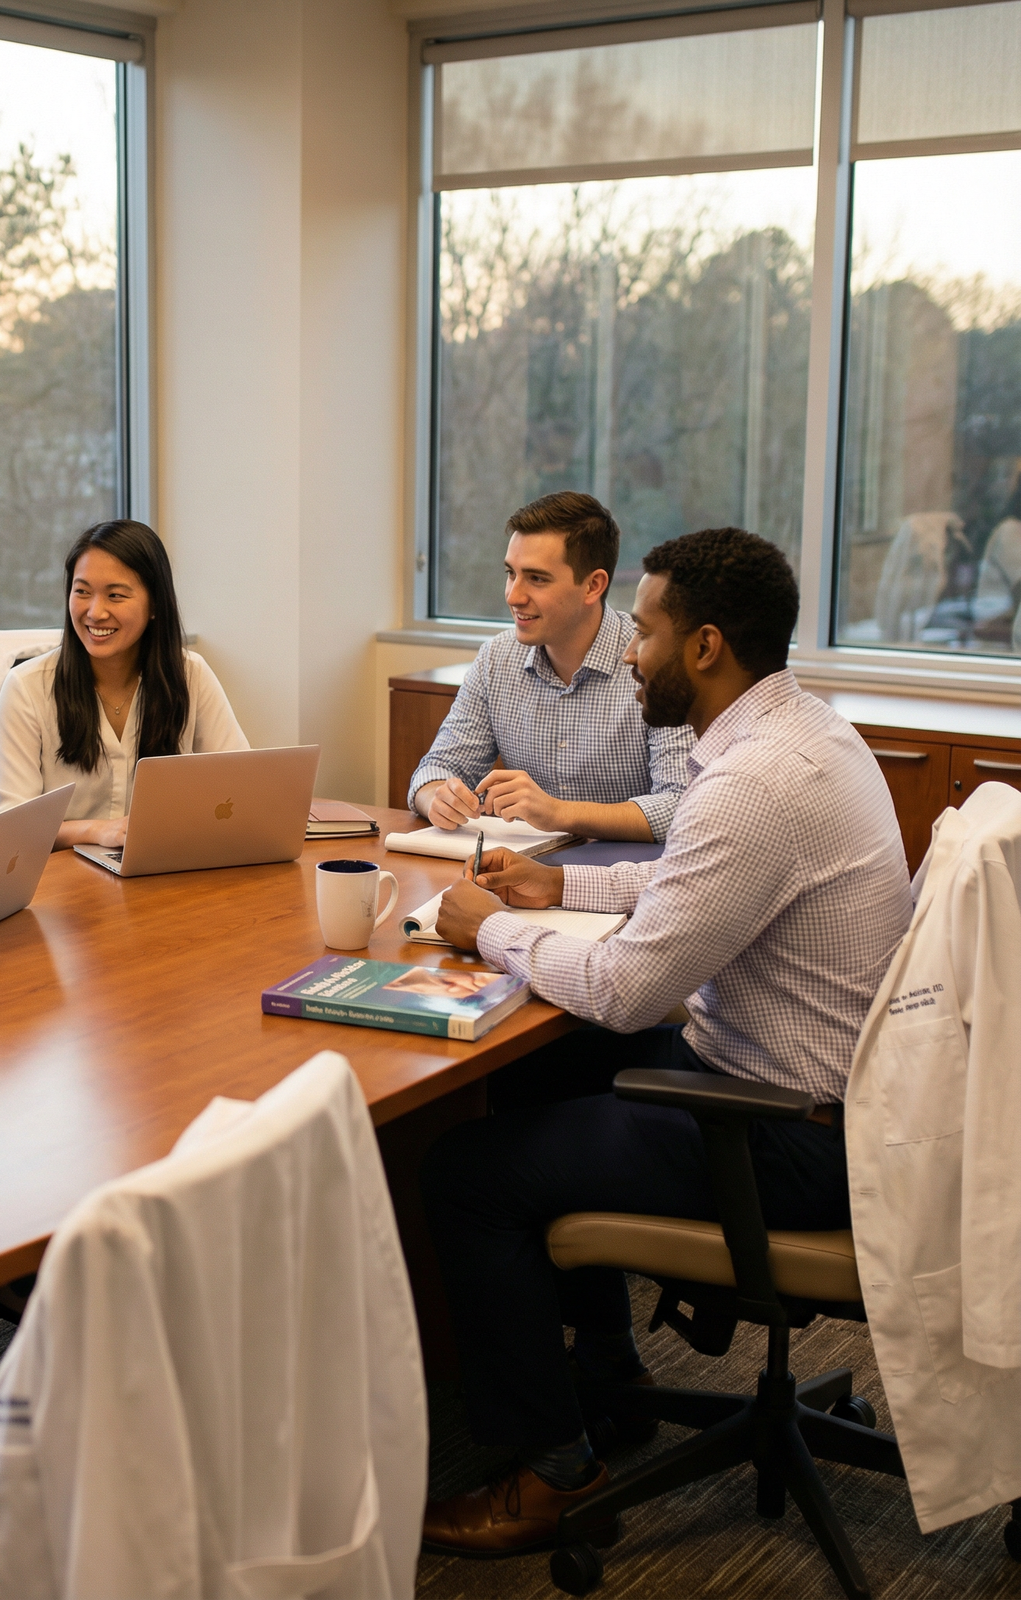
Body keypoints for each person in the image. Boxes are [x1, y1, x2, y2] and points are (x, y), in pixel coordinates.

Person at [418, 528, 912, 1558]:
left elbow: (632, 987)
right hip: (810, 1090)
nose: (629, 650)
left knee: (464, 1172)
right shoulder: (804, 734)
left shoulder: (748, 784)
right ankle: (607, 1374)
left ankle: (550, 1466)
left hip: (783, 1132)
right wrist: (559, 885)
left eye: (642, 630)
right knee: (543, 1072)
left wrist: (490, 928)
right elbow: (695, 882)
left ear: (703, 646)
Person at [409, 492, 693, 843]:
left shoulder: (654, 661)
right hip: (525, 878)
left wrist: (558, 812)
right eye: (511, 574)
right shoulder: (497, 658)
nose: (513, 596)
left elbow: (682, 807)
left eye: (537, 579)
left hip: (624, 882)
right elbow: (435, 770)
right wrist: (437, 797)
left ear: (593, 585)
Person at [0, 519, 247, 848]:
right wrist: (96, 831)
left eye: (115, 595)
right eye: (82, 592)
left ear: (154, 604)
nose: (95, 612)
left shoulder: (189, 675)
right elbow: (11, 825)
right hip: (62, 882)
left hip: (162, 868)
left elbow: (239, 786)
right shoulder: (27, 687)